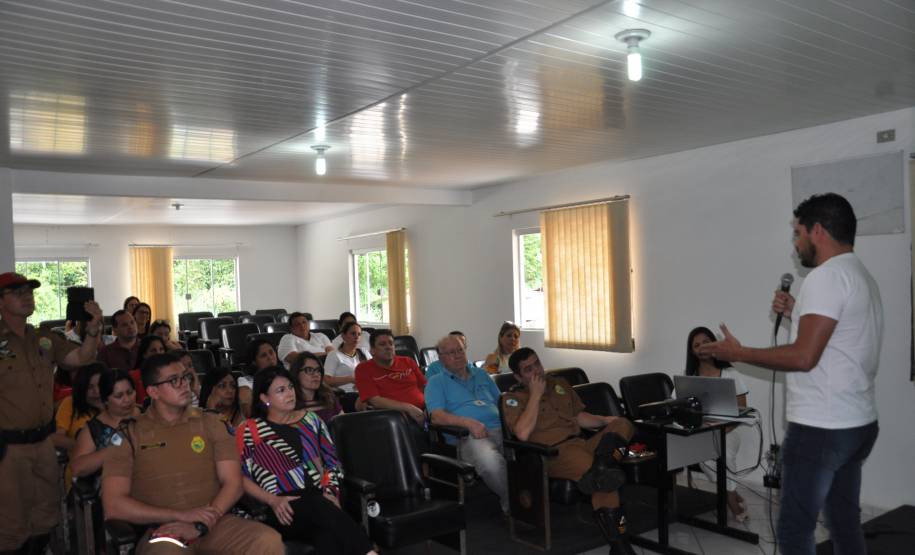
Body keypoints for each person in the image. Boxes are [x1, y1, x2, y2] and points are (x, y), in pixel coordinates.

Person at [698, 193, 882, 555]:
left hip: (822, 427)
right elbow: (839, 339)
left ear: (817, 231)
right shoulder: (858, 273)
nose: (795, 244)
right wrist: (799, 312)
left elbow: (803, 357)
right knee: (843, 521)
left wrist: (737, 353)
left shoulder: (825, 278)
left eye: (797, 233)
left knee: (795, 527)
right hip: (857, 422)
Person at [101, 353, 284, 554]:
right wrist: (181, 515)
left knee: (268, 542)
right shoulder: (129, 435)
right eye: (174, 380)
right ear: (153, 391)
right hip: (164, 530)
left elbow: (233, 482)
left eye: (186, 377)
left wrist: (201, 523)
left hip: (214, 522)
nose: (184, 384)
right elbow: (114, 505)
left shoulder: (211, 423)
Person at [0, 272, 103, 553]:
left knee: (45, 518)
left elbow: (82, 358)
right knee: (10, 527)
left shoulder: (44, 338)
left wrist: (93, 329)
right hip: (8, 449)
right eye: (15, 291)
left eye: (28, 290)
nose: (26, 295)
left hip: (44, 444)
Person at [502, 348, 637, 555]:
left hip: (582, 443)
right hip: (554, 454)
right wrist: (535, 396)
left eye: (537, 363)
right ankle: (620, 546)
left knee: (623, 423)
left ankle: (604, 466)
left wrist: (605, 421)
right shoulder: (512, 398)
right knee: (605, 482)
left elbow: (579, 417)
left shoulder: (559, 384)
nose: (536, 371)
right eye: (528, 369)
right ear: (518, 376)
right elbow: (521, 433)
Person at [236, 367, 376, 555]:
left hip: (318, 499)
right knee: (320, 508)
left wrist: (330, 492)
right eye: (281, 390)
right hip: (280, 506)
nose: (290, 393)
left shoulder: (311, 420)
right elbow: (239, 477)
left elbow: (331, 462)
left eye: (290, 387)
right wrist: (272, 501)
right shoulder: (248, 430)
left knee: (326, 536)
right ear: (264, 398)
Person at [425, 335, 509, 514]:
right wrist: (468, 423)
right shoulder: (436, 382)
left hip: (502, 429)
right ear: (441, 358)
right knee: (489, 461)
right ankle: (516, 504)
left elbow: (501, 401)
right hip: (467, 437)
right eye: (451, 352)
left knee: (532, 448)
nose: (457, 355)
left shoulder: (481, 374)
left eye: (460, 350)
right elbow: (436, 417)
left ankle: (536, 499)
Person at [685, 326, 749, 521]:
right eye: (696, 345)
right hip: (701, 433)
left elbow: (742, 411)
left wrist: (721, 429)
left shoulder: (730, 374)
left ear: (715, 343)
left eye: (706, 342)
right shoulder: (689, 377)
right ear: (692, 352)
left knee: (723, 452)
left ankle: (729, 497)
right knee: (706, 454)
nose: (702, 347)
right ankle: (731, 494)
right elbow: (678, 406)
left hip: (729, 432)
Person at [70, 369, 139, 485]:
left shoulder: (147, 414)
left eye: (130, 392)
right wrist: (117, 448)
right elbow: (77, 468)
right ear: (105, 400)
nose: (127, 400)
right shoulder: (94, 429)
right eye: (119, 396)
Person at [354, 330, 426, 424]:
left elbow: (424, 386)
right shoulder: (363, 369)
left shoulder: (408, 361)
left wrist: (431, 406)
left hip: (423, 410)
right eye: (382, 344)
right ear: (372, 351)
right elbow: (375, 401)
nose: (388, 347)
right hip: (393, 418)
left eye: (391, 343)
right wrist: (409, 408)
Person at [53, 362, 106, 451]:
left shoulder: (117, 403)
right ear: (82, 388)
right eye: (90, 387)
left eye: (100, 385)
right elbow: (57, 438)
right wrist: (83, 446)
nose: (96, 391)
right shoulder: (70, 403)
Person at [323, 321, 368, 412]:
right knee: (369, 401)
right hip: (345, 394)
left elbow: (373, 371)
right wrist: (351, 379)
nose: (356, 337)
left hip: (365, 391)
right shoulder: (334, 355)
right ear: (343, 336)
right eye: (353, 333)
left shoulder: (364, 352)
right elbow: (326, 380)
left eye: (359, 334)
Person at [290, 352, 342, 424]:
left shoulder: (329, 397)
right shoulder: (290, 403)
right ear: (296, 373)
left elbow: (343, 426)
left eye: (318, 370)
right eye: (309, 370)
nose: (316, 374)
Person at [237, 339, 280, 416]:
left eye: (271, 352)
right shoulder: (245, 381)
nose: (270, 358)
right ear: (254, 362)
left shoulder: (284, 377)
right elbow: (248, 412)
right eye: (263, 355)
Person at [200, 368, 245, 433]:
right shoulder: (199, 418)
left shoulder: (244, 413)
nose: (230, 391)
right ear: (210, 390)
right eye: (222, 386)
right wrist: (211, 409)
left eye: (233, 386)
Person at [131, 334, 167, 406]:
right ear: (144, 354)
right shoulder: (133, 376)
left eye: (161, 349)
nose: (158, 353)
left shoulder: (171, 374)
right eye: (153, 350)